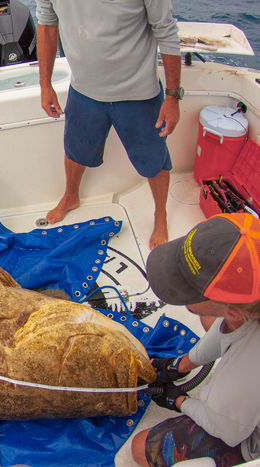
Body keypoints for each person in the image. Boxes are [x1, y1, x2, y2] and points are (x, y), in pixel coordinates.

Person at [35, 0, 183, 249]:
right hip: (84, 90)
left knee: (153, 160)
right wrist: (45, 85)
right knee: (75, 151)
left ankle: (160, 214)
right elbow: (47, 24)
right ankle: (71, 197)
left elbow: (166, 31)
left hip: (139, 93)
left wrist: (172, 97)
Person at [130, 213, 260, 467]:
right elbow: (227, 323)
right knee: (208, 319)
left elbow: (228, 430)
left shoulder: (247, 373)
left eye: (187, 288)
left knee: (140, 448)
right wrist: (180, 365)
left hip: (244, 432)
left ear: (233, 310)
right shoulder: (246, 301)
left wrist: (178, 400)